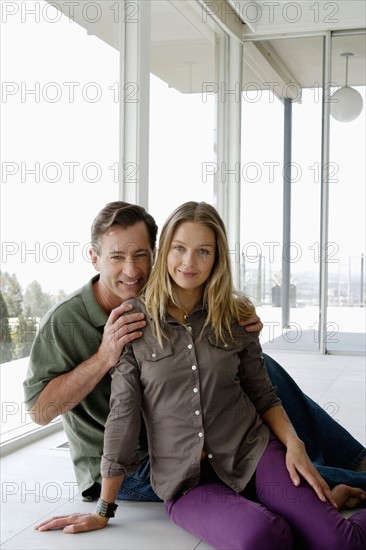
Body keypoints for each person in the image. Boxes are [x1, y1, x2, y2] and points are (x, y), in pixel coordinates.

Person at [35, 201, 366, 549]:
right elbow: (123, 415)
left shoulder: (235, 314)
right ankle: (322, 503)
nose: (189, 262)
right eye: (179, 248)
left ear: (216, 257)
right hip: (183, 480)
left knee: (339, 542)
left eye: (203, 251)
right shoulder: (132, 320)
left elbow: (263, 394)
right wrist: (104, 509)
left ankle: (323, 504)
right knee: (262, 536)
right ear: (166, 253)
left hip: (251, 452)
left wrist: (293, 443)